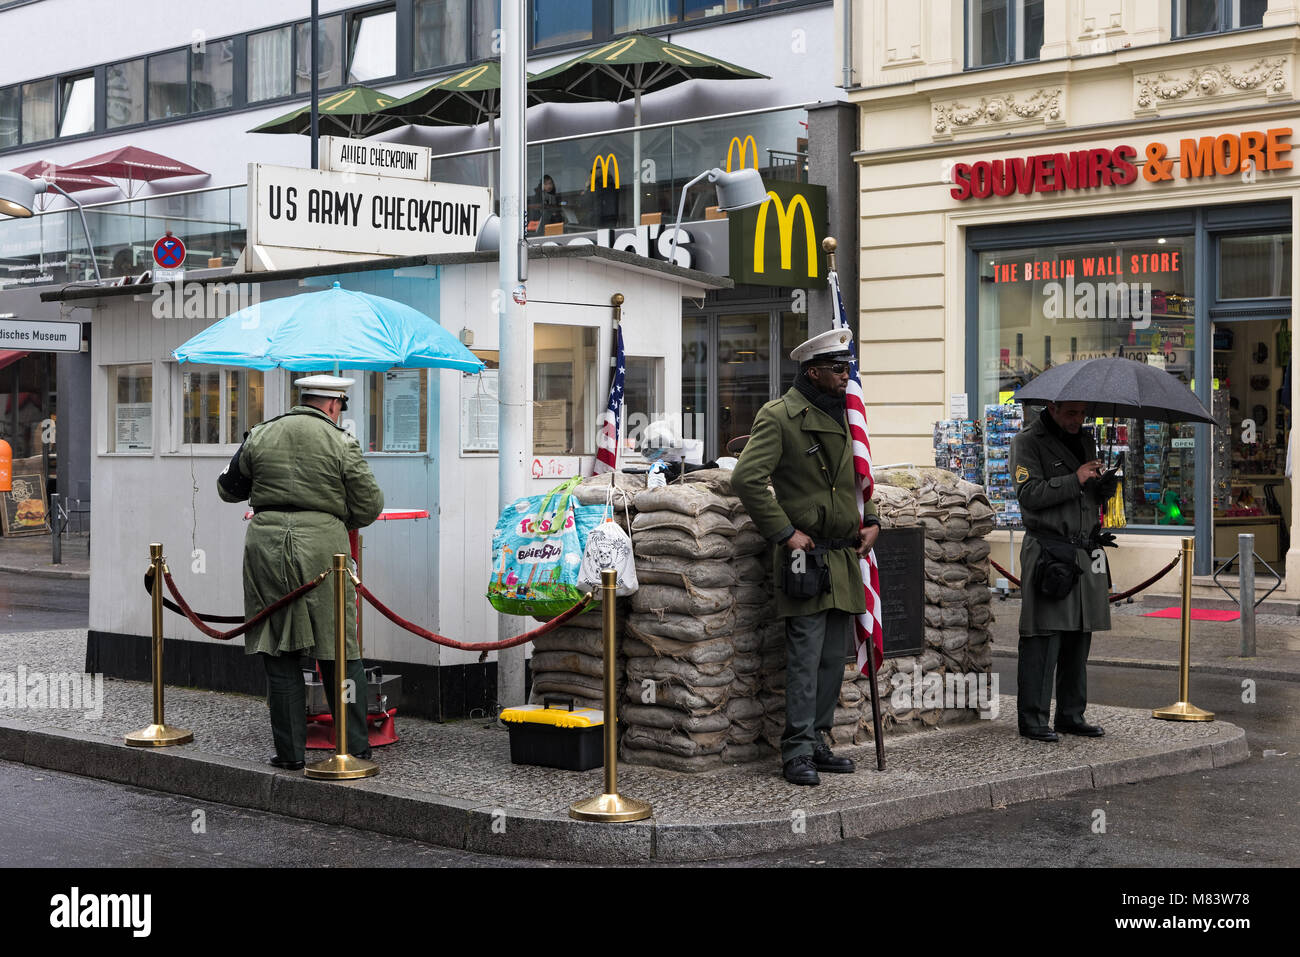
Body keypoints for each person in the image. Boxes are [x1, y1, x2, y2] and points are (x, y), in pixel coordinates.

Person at [732, 328, 880, 786]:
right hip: (807, 555)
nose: (845, 376)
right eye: (838, 369)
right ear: (813, 372)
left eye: (847, 368)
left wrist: (872, 518)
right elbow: (747, 479)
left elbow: (860, 475)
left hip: (842, 557)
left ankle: (818, 739)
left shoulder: (849, 416)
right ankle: (796, 751)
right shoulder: (780, 417)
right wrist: (784, 532)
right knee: (805, 656)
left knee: (833, 659)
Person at [217, 375, 384, 770]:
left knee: (277, 649)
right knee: (338, 648)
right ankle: (353, 746)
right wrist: (335, 517)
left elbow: (228, 489)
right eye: (340, 407)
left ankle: (290, 753)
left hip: (265, 545)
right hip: (324, 550)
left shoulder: (260, 434)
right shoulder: (341, 442)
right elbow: (370, 505)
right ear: (332, 404)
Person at [1010, 400, 1115, 742]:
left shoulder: (1084, 439)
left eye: (1083, 414)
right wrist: (1076, 478)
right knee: (1044, 635)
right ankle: (1034, 719)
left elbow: (1085, 496)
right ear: (1053, 408)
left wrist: (1102, 488)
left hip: (1082, 550)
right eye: (1071, 413)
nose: (1078, 420)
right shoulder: (1027, 442)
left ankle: (1071, 714)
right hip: (1048, 549)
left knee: (1078, 636)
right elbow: (1029, 494)